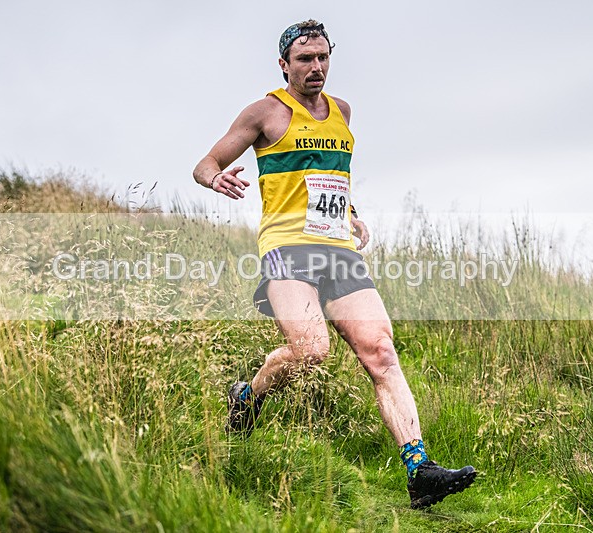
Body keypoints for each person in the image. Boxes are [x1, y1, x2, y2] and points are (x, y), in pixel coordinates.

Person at [193, 20, 476, 509]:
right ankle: (249, 396)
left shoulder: (342, 111)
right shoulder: (265, 112)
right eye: (305, 59)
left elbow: (329, 177)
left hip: (338, 248)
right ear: (284, 65)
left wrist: (353, 214)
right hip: (286, 246)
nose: (316, 67)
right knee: (310, 350)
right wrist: (215, 180)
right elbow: (204, 164)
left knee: (380, 350)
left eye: (323, 57)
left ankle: (419, 469)